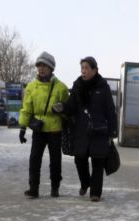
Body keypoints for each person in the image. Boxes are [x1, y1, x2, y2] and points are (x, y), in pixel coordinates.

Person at [54, 56, 117, 202]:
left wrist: (112, 131)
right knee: (79, 159)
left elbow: (110, 110)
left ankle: (95, 193)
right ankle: (85, 182)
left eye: (87, 68)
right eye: (82, 68)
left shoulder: (103, 87)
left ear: (95, 70)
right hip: (81, 130)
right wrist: (62, 107)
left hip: (99, 130)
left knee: (98, 162)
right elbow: (71, 106)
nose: (83, 71)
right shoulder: (77, 87)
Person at [19, 51, 70, 198]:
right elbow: (26, 108)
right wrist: (22, 127)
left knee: (55, 161)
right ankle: (33, 188)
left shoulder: (61, 87)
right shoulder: (31, 87)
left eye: (45, 66)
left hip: (55, 129)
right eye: (39, 65)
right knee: (34, 159)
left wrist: (62, 109)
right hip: (38, 128)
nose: (41, 68)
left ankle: (55, 188)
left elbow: (68, 109)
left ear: (51, 68)